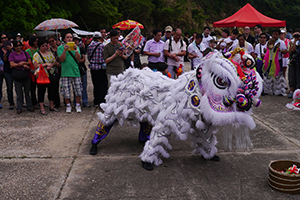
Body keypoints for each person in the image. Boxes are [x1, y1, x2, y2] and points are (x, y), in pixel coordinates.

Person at [32, 38, 60, 115]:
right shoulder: (37, 55)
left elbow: (54, 62)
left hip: (50, 75)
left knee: (51, 91)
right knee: (41, 91)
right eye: (43, 46)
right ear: (39, 46)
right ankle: (42, 108)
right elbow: (36, 65)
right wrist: (45, 65)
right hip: (42, 76)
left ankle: (51, 106)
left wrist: (52, 65)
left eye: (46, 45)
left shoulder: (50, 53)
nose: (45, 47)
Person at [57, 32, 82, 113]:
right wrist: (64, 50)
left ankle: (78, 105)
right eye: (67, 37)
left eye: (71, 37)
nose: (69, 39)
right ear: (64, 39)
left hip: (75, 72)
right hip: (65, 72)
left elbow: (78, 59)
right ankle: (68, 105)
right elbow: (62, 59)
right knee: (66, 91)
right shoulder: (60, 48)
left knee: (78, 90)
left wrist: (75, 50)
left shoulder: (76, 47)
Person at [9, 40, 34, 114]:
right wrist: (19, 65)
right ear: (14, 47)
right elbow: (12, 64)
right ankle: (19, 107)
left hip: (25, 73)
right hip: (17, 74)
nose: (19, 47)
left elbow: (29, 62)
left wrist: (23, 63)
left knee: (27, 91)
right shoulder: (12, 54)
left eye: (20, 45)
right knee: (19, 92)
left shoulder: (25, 53)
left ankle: (29, 105)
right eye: (17, 46)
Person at [263, 29, 287, 96]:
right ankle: (268, 90)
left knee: (278, 75)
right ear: (272, 34)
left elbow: (285, 51)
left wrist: (280, 51)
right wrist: (265, 50)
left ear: (279, 35)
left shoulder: (281, 42)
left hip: (278, 60)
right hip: (269, 60)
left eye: (276, 34)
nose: (275, 36)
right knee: (268, 75)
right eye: (274, 34)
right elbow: (265, 50)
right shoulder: (269, 42)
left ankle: (279, 91)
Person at [87, 31, 107, 108]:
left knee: (95, 85)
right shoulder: (102, 46)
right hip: (101, 67)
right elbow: (104, 56)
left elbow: (88, 57)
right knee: (102, 85)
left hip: (93, 67)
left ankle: (96, 101)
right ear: (100, 38)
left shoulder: (89, 46)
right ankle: (102, 101)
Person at [73, 33, 90, 108]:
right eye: (74, 40)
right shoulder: (68, 49)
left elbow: (83, 59)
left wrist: (77, 60)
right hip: (74, 70)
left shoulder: (81, 48)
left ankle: (85, 101)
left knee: (84, 86)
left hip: (82, 69)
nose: (75, 41)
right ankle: (76, 102)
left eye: (76, 40)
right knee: (75, 87)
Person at [0, 33, 14, 109]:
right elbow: (4, 60)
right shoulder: (0, 49)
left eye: (5, 37)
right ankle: (8, 102)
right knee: (4, 86)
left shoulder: (11, 47)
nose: (4, 39)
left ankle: (14, 102)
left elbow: (15, 55)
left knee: (13, 87)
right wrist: (5, 53)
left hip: (11, 69)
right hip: (3, 70)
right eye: (2, 38)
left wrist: (10, 50)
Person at [48, 35, 61, 108]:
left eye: (53, 41)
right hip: (53, 71)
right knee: (54, 87)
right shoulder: (48, 50)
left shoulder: (60, 48)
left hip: (61, 69)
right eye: (50, 42)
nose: (52, 42)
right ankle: (56, 102)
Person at [26, 36, 39, 109]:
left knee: (40, 88)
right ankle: (34, 102)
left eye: (37, 41)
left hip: (39, 70)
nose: (36, 42)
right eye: (35, 41)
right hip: (32, 71)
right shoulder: (28, 51)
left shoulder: (39, 49)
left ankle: (40, 101)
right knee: (32, 88)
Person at [288, 29, 300, 98]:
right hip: (292, 61)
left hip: (299, 62)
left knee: (298, 77)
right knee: (292, 76)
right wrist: (295, 41)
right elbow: (291, 51)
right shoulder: (291, 41)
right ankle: (291, 91)